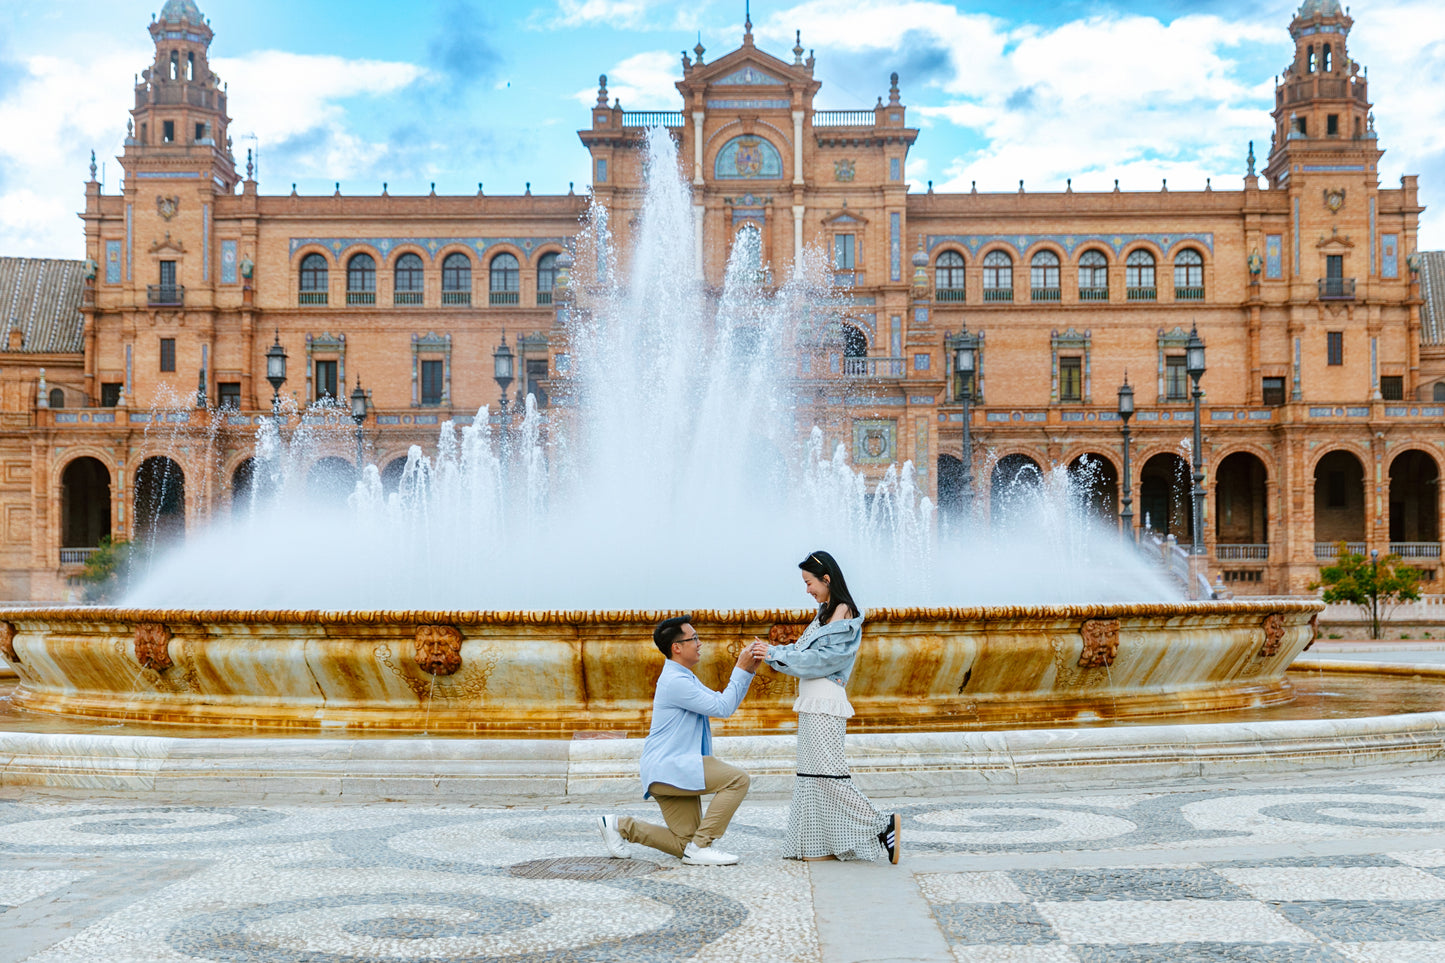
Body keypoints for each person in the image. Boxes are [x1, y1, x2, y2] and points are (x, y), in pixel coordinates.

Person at [762, 550, 900, 863]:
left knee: (828, 774)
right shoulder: (825, 612)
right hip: (813, 701)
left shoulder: (844, 612)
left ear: (826, 579)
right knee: (811, 774)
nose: (807, 590)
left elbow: (824, 661)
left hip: (826, 701)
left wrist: (772, 653)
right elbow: (800, 653)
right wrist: (771, 652)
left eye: (810, 582)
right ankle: (816, 845)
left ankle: (882, 825)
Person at [597, 614, 767, 866]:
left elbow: (723, 703)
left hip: (671, 769)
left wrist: (748, 670)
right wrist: (740, 668)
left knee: (683, 844)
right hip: (671, 766)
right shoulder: (676, 682)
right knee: (737, 779)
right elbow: (722, 708)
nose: (699, 643)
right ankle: (702, 845)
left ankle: (619, 826)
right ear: (676, 647)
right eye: (694, 638)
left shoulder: (683, 677)